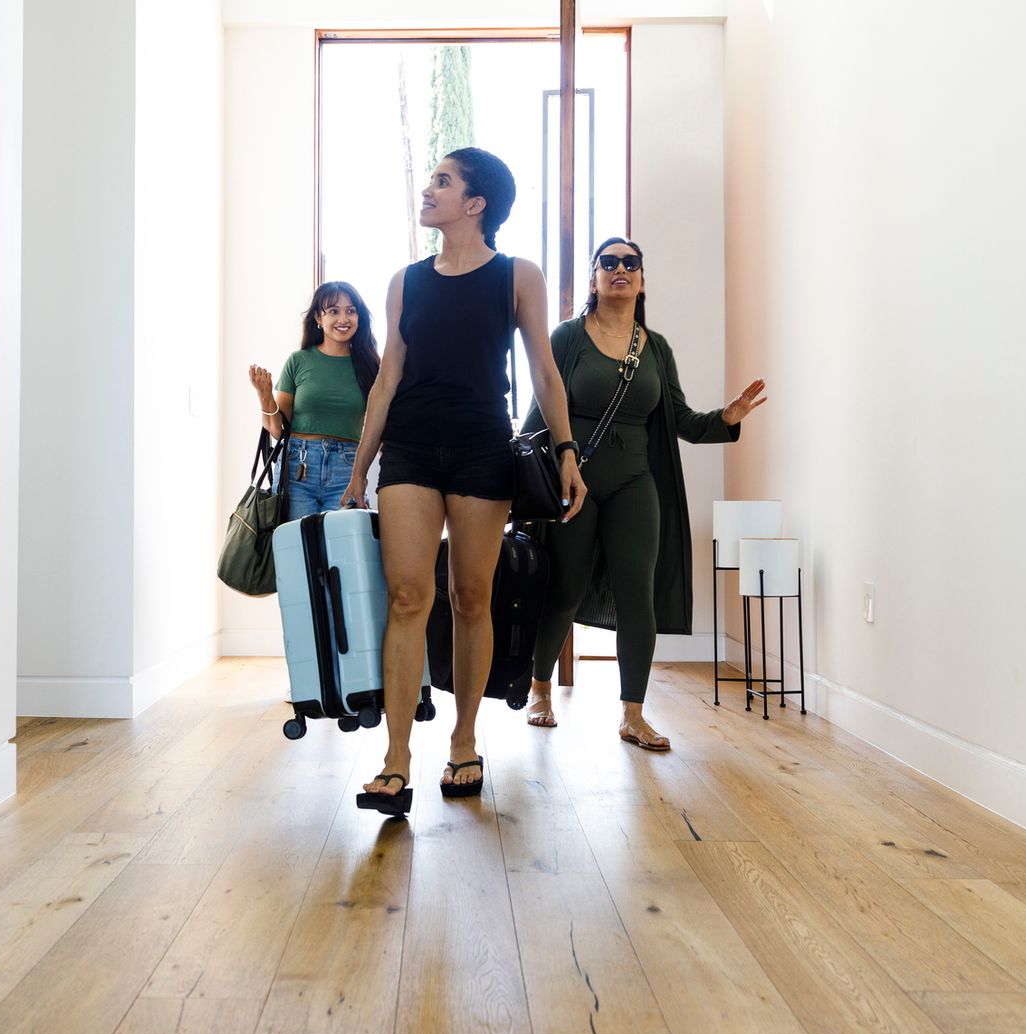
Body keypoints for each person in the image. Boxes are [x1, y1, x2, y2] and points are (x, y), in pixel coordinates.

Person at [338, 147, 585, 814]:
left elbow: (543, 372)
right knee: (409, 594)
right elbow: (387, 378)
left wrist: (566, 450)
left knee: (472, 595)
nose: (429, 189)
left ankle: (465, 741)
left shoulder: (516, 276)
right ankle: (394, 760)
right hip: (411, 448)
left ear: (475, 204)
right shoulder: (405, 282)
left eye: (443, 181)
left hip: (482, 445)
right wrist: (361, 470)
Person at [523, 236, 768, 751]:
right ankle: (540, 688)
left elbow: (678, 419)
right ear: (594, 278)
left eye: (629, 263)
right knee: (564, 590)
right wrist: (520, 476)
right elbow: (541, 408)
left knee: (640, 595)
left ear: (641, 278)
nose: (619, 269)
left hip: (636, 484)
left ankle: (633, 713)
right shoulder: (568, 337)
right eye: (607, 262)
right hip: (577, 481)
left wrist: (725, 419)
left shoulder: (654, 348)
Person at [248, 282, 380, 520]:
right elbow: (277, 429)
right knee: (298, 551)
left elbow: (382, 426)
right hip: (298, 470)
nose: (344, 318)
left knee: (343, 553)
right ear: (319, 317)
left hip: (348, 469)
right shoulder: (298, 361)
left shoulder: (372, 367)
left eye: (351, 311)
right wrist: (265, 396)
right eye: (334, 311)